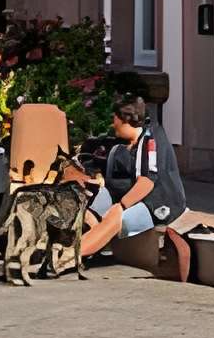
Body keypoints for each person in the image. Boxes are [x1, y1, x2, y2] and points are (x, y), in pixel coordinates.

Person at [78, 92, 189, 276]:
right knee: (91, 208)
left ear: (126, 120)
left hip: (157, 203)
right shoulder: (125, 140)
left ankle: (72, 255)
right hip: (127, 194)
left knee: (115, 219)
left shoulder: (151, 139)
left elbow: (147, 182)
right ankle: (85, 244)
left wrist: (121, 206)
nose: (113, 124)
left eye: (115, 119)